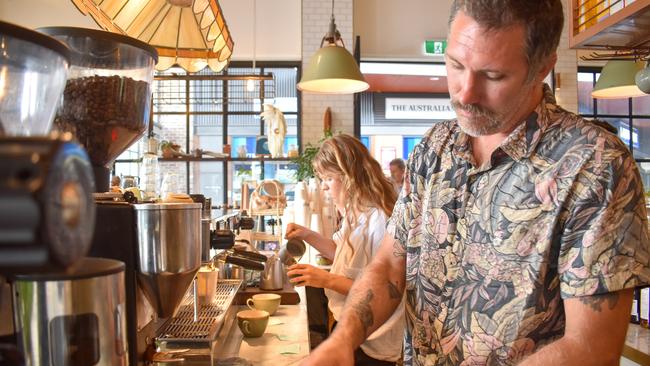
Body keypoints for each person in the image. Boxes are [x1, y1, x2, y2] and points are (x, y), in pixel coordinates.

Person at [302, 1, 650, 365]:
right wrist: (342, 340)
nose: (465, 94)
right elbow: (391, 265)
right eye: (455, 65)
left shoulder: (594, 165)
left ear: (543, 67)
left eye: (493, 75)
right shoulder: (433, 148)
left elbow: (590, 348)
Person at [285, 134, 405, 365]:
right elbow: (342, 255)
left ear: (349, 177)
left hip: (373, 338)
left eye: (329, 178)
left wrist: (326, 280)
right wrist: (307, 235)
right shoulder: (356, 212)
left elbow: (379, 291)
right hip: (352, 329)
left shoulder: (379, 219)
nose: (325, 186)